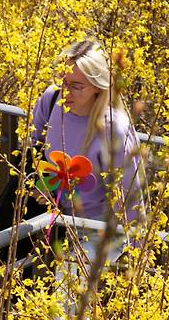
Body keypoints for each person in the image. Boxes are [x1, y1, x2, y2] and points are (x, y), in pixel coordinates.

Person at [31, 37, 146, 277]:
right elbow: (34, 148)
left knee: (68, 284)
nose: (65, 91)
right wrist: (39, 185)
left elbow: (129, 197)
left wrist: (138, 253)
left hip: (101, 228)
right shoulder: (51, 101)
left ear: (97, 87)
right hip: (59, 218)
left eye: (76, 86)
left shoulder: (113, 128)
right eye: (62, 81)